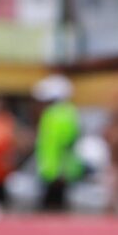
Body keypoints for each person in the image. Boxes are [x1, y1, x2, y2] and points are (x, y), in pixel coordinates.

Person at [32, 75, 81, 214]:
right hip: (50, 170)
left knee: (54, 212)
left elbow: (67, 145)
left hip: (58, 173)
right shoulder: (57, 113)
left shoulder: (62, 114)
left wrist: (62, 171)